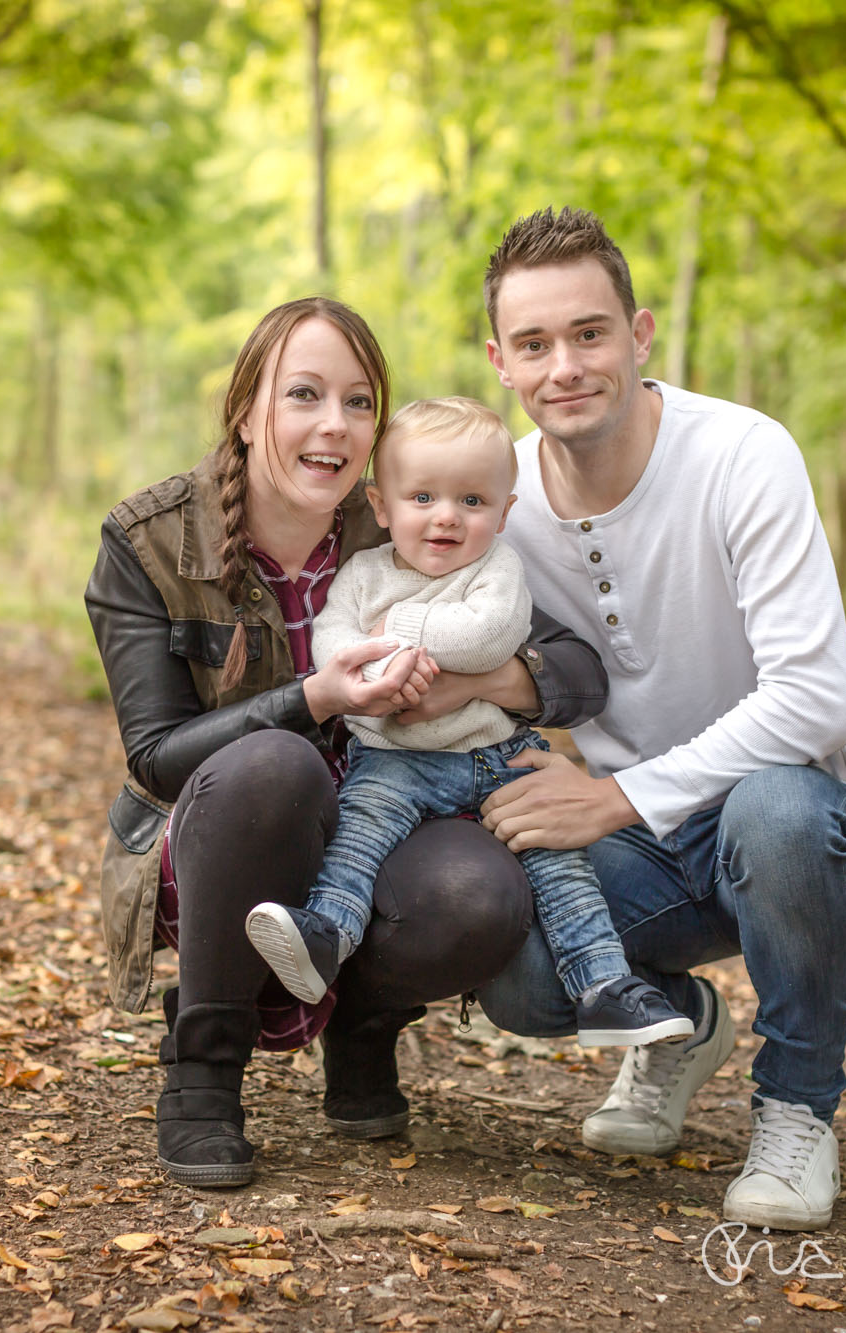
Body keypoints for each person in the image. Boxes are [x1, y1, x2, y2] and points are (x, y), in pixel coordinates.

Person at [83, 297, 611, 1189]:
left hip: (384, 816)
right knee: (276, 764)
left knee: (478, 891)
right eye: (304, 395)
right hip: (227, 839)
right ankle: (204, 1070)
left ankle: (363, 1024)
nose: (334, 425)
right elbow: (157, 758)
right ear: (247, 412)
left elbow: (576, 670)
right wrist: (317, 696)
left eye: (359, 402)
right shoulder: (149, 541)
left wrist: (477, 682)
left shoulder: (404, 522)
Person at [467, 208, 846, 1231]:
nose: (563, 365)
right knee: (516, 969)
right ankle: (676, 1027)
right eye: (533, 344)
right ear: (499, 361)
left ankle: (797, 1108)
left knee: (778, 813)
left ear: (639, 333)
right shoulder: (501, 496)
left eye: (588, 333)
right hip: (648, 849)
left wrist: (612, 796)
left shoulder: (742, 453)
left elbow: (812, 697)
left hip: (793, 823)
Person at [242, 396, 693, 1049]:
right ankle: (324, 935)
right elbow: (335, 646)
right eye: (422, 497)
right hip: (395, 757)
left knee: (559, 861)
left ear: (504, 512)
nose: (446, 517)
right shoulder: (363, 574)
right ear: (380, 505)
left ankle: (604, 987)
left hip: (496, 751)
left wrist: (396, 632)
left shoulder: (497, 571)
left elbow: (487, 637)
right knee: (359, 833)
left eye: (472, 501)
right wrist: (376, 678)